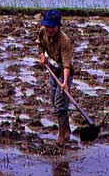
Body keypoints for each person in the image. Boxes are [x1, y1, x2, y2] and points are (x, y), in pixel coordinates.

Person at [37, 9, 74, 147]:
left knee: (60, 105)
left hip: (64, 73)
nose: (49, 30)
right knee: (55, 102)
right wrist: (42, 55)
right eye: (47, 26)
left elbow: (66, 65)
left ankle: (61, 134)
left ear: (58, 26)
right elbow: (39, 44)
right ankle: (67, 129)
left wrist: (65, 82)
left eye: (51, 27)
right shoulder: (43, 31)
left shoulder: (65, 41)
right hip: (52, 70)